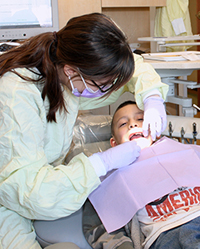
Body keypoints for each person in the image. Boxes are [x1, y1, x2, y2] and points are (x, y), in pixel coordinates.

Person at [0, 12, 168, 249]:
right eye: (103, 85)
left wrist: (151, 95)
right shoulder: (17, 94)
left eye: (141, 119)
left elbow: (133, 64)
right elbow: (23, 188)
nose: (133, 125)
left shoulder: (62, 71)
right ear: (72, 72)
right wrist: (100, 165)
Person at [83, 101, 200, 249]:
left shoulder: (183, 151)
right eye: (123, 124)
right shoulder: (111, 175)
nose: (133, 124)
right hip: (167, 232)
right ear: (114, 143)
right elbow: (101, 220)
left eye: (140, 119)